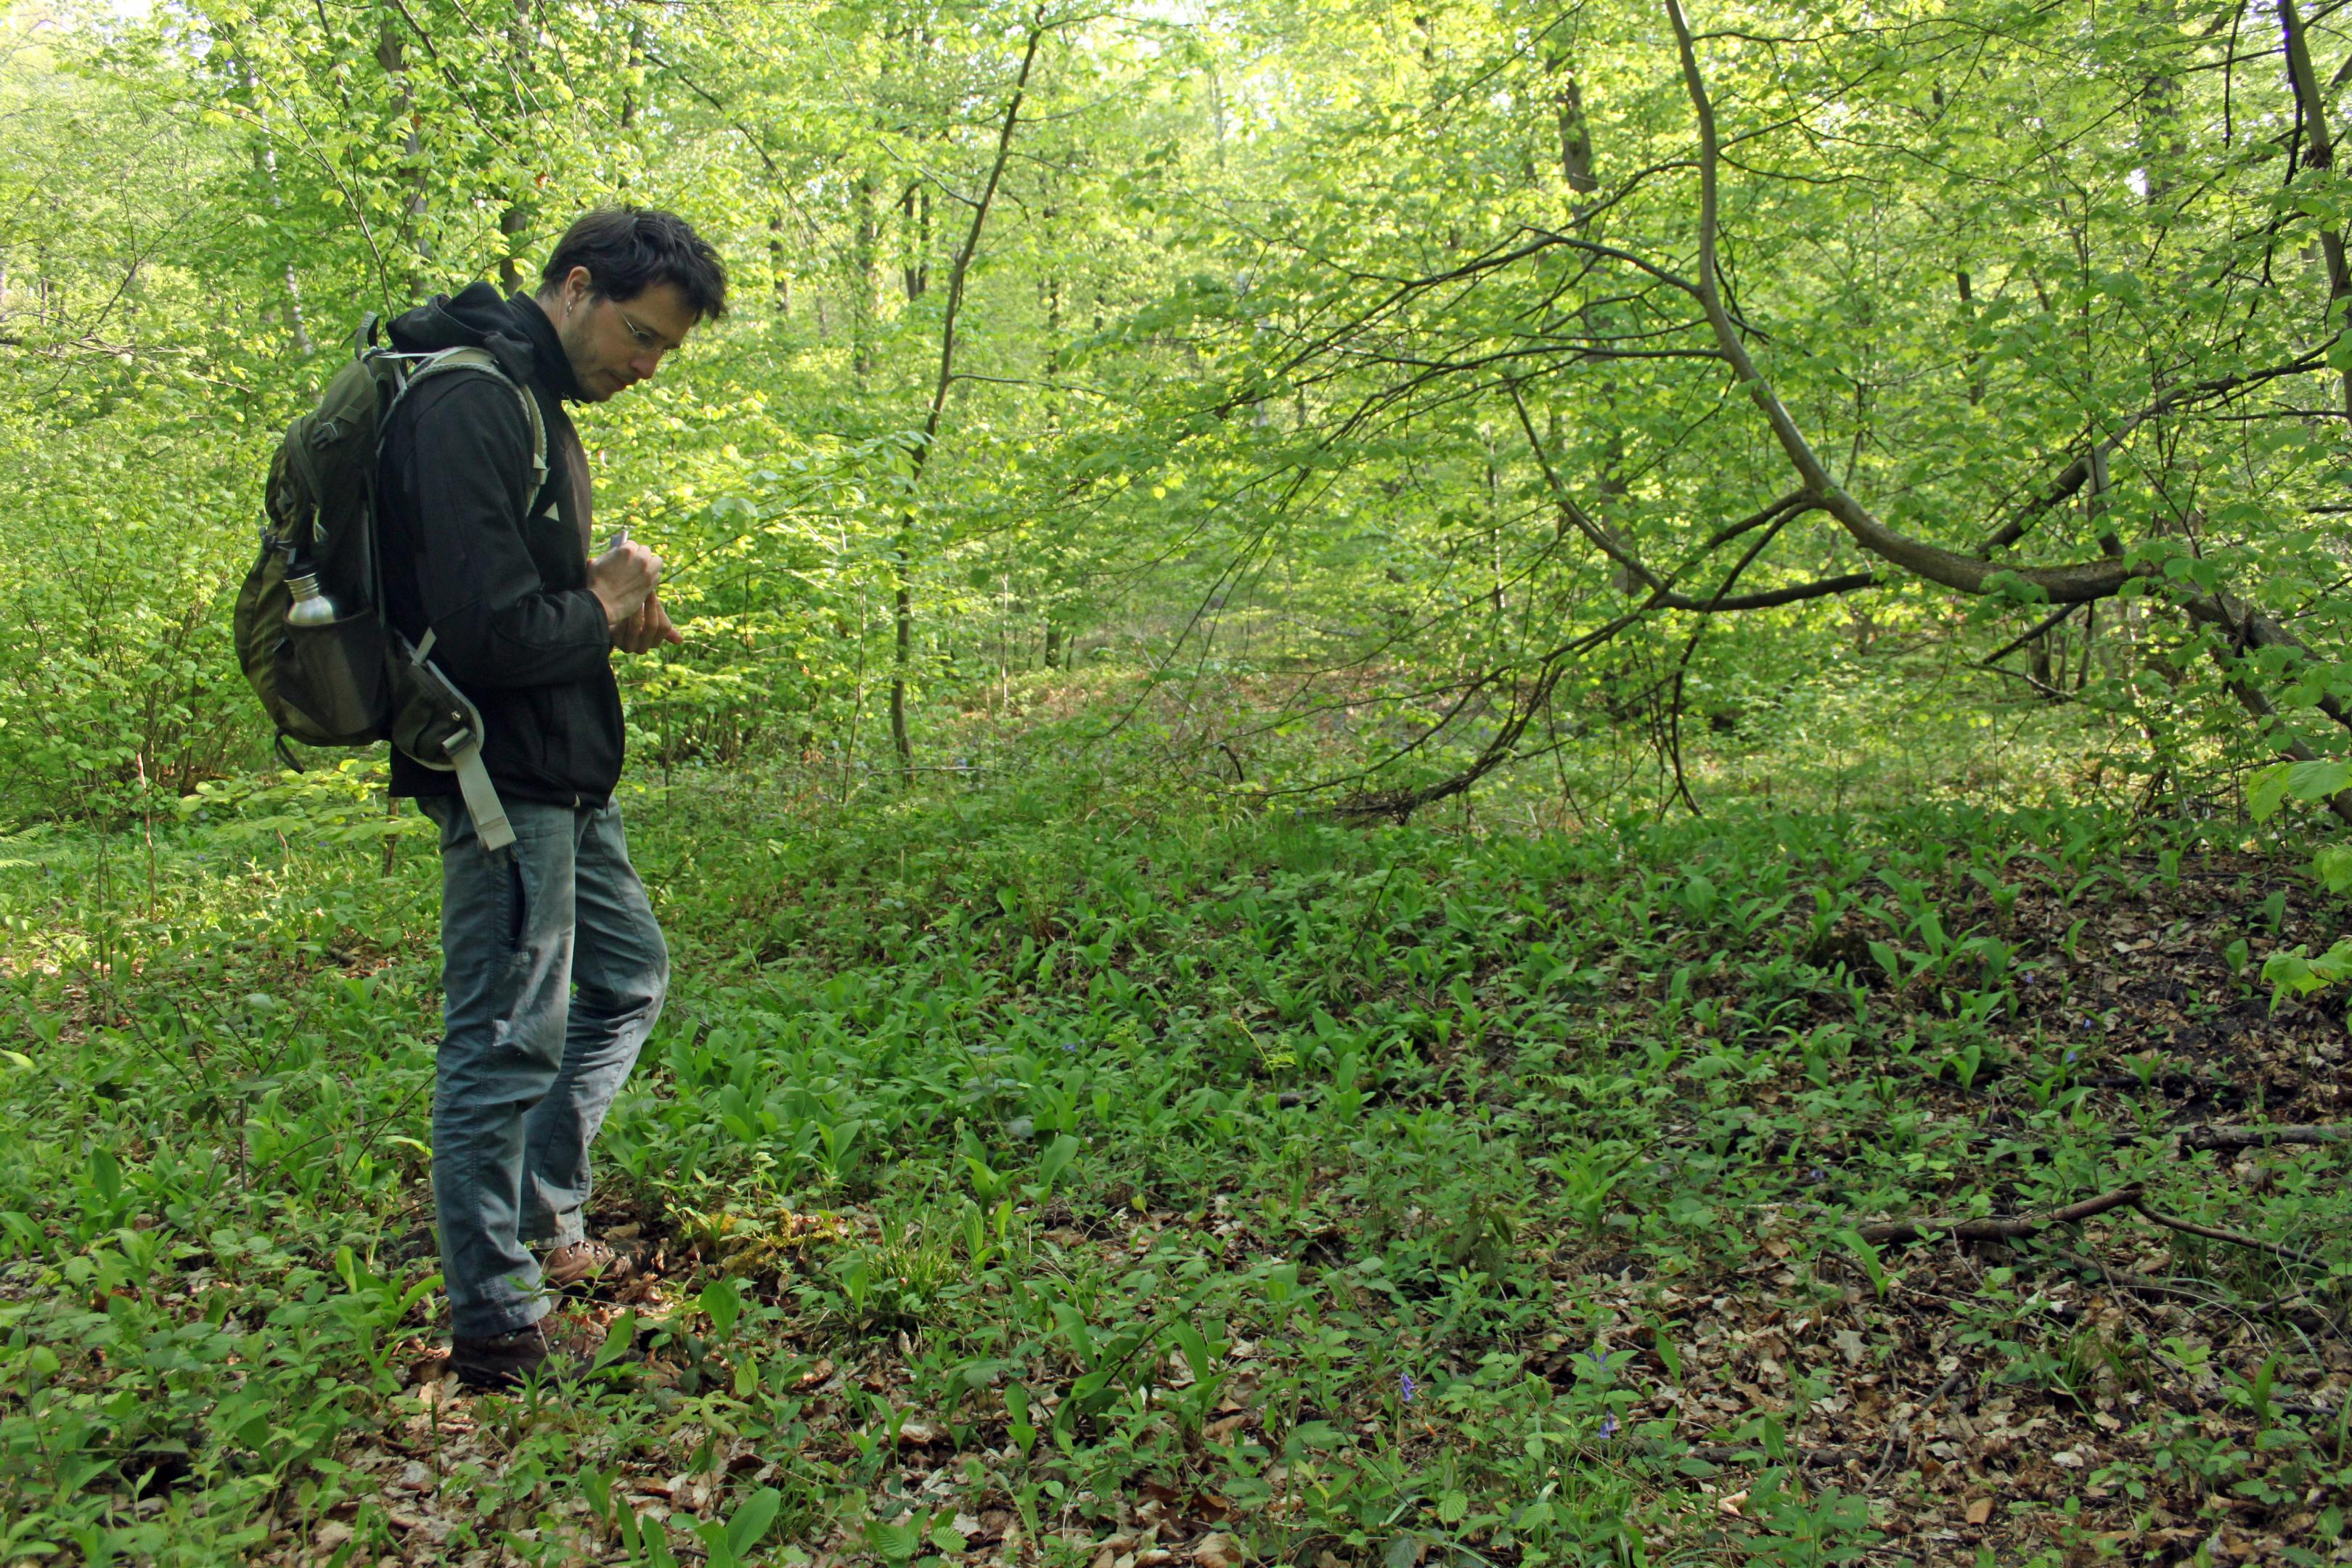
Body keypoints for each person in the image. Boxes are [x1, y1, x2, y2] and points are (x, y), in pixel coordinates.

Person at [376, 206, 727, 1389]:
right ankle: (494, 1319)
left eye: (667, 351)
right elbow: (484, 637)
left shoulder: (537, 411)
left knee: (626, 979)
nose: (647, 366)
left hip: (566, 764)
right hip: (498, 774)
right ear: (575, 287)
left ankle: (539, 1210)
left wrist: (601, 605)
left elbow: (522, 607)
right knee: (502, 1039)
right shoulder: (471, 402)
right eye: (640, 336)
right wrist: (607, 602)